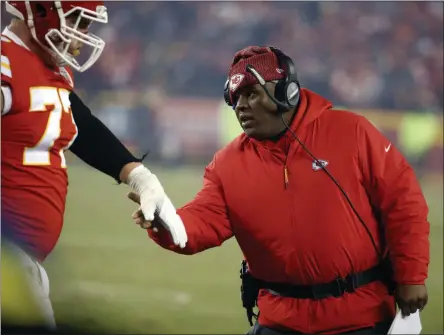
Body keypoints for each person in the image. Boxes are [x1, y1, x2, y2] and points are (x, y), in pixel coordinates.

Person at [128, 46, 430, 334]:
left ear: (287, 92)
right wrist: (165, 222)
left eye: (251, 94)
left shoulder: (352, 132)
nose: (240, 105)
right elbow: (201, 224)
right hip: (279, 321)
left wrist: (411, 277)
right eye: (235, 97)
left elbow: (404, 203)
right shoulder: (227, 164)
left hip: (362, 320)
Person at [1, 1, 187, 330]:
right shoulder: (5, 62)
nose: (83, 35)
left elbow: (80, 123)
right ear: (41, 10)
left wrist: (140, 177)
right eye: (78, 21)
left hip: (25, 263)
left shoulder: (49, 67)